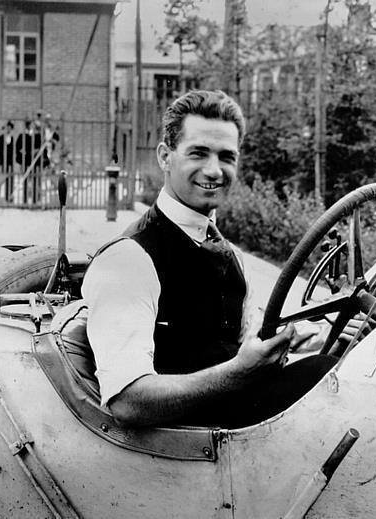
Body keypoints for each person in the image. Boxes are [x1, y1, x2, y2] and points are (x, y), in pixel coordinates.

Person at [82, 90, 341, 429]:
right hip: (178, 450)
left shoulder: (228, 254)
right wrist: (237, 374)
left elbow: (243, 341)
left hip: (233, 426)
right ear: (165, 156)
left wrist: (306, 336)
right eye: (199, 153)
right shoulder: (129, 259)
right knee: (324, 378)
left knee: (337, 370)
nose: (214, 170)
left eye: (226, 157)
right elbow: (129, 402)